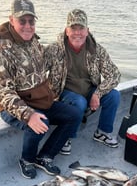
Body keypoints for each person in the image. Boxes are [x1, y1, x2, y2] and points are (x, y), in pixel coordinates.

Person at [0, 0, 81, 179]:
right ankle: (27, 159)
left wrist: (69, 44)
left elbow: (46, 64)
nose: (28, 26)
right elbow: (2, 92)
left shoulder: (33, 42)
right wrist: (29, 115)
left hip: (40, 100)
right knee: (41, 122)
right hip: (14, 107)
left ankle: (45, 156)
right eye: (22, 21)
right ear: (11, 19)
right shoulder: (0, 51)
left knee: (74, 115)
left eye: (31, 21)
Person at [45, 9, 121, 155]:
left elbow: (114, 75)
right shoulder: (54, 50)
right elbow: (36, 70)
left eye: (81, 28)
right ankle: (66, 137)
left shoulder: (97, 51)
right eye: (73, 28)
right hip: (64, 94)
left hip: (89, 91)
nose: (77, 33)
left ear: (87, 31)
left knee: (114, 95)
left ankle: (102, 132)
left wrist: (98, 94)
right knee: (79, 102)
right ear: (67, 30)